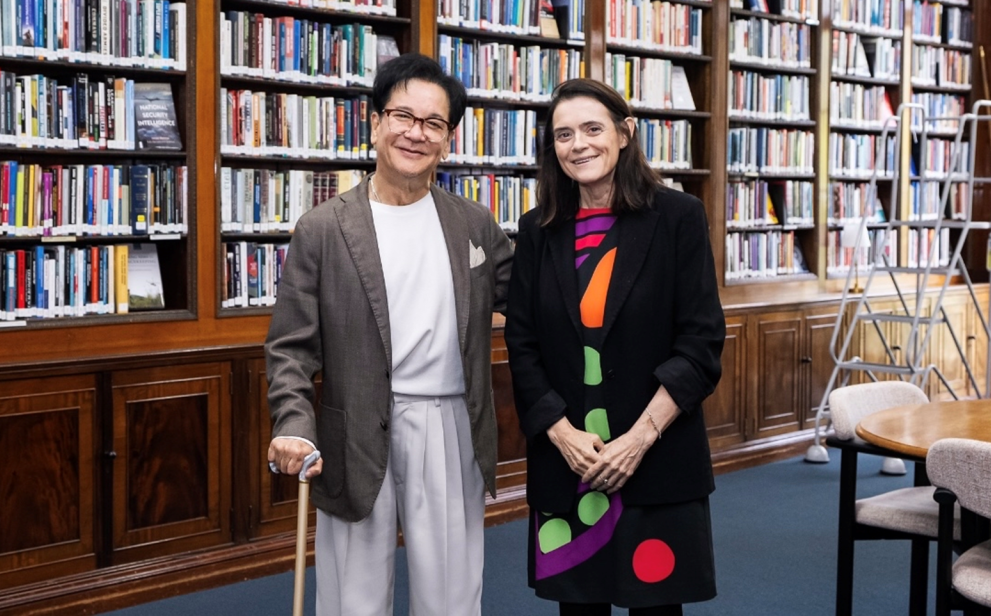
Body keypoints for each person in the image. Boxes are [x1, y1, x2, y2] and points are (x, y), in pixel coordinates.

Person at [265, 52, 513, 615]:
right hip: (355, 425)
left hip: (450, 424)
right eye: (403, 116)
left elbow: (524, 301)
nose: (416, 133)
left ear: (448, 139)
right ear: (375, 122)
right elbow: (290, 347)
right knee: (353, 595)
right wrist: (294, 424)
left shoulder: (473, 224)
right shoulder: (323, 229)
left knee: (451, 592)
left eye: (433, 123)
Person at [504, 79, 725, 616]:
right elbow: (522, 341)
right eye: (563, 134)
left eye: (592, 128)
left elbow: (700, 342)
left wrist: (639, 439)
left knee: (655, 606)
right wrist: (561, 435)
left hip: (654, 456)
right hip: (570, 462)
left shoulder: (678, 218)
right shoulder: (538, 230)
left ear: (625, 134)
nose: (577, 144)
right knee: (579, 609)